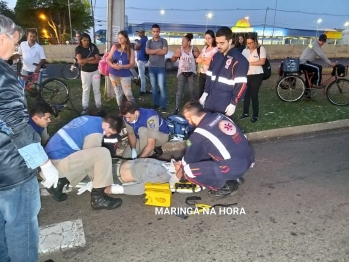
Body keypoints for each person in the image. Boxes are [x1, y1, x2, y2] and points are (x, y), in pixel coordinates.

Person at [0, 15, 59, 262]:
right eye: (15, 40)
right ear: (1, 37)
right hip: (11, 166)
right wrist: (43, 162)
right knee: (21, 226)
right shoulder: (3, 74)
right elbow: (14, 123)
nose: (17, 46)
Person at [172, 100, 254, 198]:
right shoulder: (220, 116)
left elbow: (188, 161)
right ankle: (234, 177)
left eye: (188, 119)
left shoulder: (198, 135)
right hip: (247, 158)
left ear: (192, 117)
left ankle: (223, 186)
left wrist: (178, 173)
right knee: (209, 150)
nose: (189, 123)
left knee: (188, 171)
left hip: (234, 168)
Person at [44, 114, 123, 210]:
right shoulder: (95, 131)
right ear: (106, 125)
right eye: (109, 132)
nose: (108, 135)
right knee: (103, 153)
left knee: (87, 158)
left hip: (49, 164)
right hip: (55, 166)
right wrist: (99, 182)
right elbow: (93, 162)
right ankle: (98, 198)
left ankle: (57, 185)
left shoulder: (89, 119)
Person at [199, 26, 248, 117]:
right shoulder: (216, 56)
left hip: (224, 101)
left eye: (222, 43)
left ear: (230, 41)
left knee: (220, 128)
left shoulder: (239, 60)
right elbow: (209, 76)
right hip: (211, 99)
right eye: (217, 43)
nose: (218, 46)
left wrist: (234, 103)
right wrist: (205, 93)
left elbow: (241, 85)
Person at [172, 33, 200, 115]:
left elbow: (200, 58)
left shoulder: (194, 49)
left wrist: (198, 56)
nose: (182, 43)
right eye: (182, 41)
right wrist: (175, 56)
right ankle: (176, 108)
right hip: (181, 73)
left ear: (188, 42)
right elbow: (173, 60)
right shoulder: (179, 49)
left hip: (192, 73)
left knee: (192, 90)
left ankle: (194, 108)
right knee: (180, 91)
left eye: (183, 41)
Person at [240, 34, 266, 123]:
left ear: (255, 41)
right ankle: (245, 112)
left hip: (257, 75)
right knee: (246, 94)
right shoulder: (245, 50)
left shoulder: (260, 49)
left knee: (254, 95)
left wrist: (249, 64)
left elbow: (262, 61)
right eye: (247, 43)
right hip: (246, 75)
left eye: (251, 43)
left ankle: (255, 115)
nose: (249, 45)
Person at [107, 31, 136, 110]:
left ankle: (133, 110)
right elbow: (108, 58)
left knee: (128, 94)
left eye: (121, 38)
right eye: (118, 37)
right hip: (113, 73)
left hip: (124, 74)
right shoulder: (115, 47)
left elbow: (132, 64)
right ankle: (121, 110)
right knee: (118, 93)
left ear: (126, 39)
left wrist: (122, 66)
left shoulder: (130, 50)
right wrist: (112, 65)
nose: (119, 39)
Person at [75, 33, 101, 115]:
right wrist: (91, 58)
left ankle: (99, 106)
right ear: (81, 40)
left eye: (88, 40)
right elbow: (80, 61)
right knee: (86, 90)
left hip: (95, 71)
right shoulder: (78, 49)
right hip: (85, 72)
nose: (86, 42)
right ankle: (85, 107)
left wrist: (86, 61)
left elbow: (98, 60)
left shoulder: (93, 47)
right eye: (84, 40)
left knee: (96, 89)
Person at [146, 24, 168, 113]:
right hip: (151, 67)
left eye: (157, 31)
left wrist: (153, 51)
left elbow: (165, 51)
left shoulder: (164, 41)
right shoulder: (149, 42)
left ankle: (163, 105)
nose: (155, 33)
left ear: (159, 31)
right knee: (154, 87)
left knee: (162, 87)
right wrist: (158, 50)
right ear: (152, 32)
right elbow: (147, 51)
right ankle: (156, 103)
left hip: (160, 67)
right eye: (154, 31)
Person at [196, 30, 218, 97]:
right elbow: (197, 59)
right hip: (202, 72)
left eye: (209, 38)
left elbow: (212, 62)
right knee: (201, 91)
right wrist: (205, 60)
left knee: (208, 92)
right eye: (206, 38)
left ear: (213, 38)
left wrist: (203, 60)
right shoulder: (205, 48)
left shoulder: (215, 49)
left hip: (210, 73)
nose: (207, 40)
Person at [134, 27, 151, 95]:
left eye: (139, 32)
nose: (138, 34)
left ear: (143, 33)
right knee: (141, 74)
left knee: (142, 75)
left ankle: (143, 90)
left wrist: (137, 45)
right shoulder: (143, 39)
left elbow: (136, 47)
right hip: (141, 58)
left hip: (141, 59)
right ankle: (139, 81)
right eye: (138, 32)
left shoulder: (143, 39)